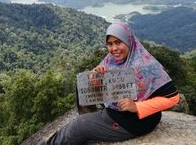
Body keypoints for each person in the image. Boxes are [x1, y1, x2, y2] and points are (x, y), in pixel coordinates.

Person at [40, 22, 179, 145]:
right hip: (115, 107)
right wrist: (96, 77)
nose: (114, 48)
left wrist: (137, 106)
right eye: (110, 44)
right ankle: (91, 118)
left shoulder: (146, 66)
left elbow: (173, 98)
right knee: (82, 83)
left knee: (78, 126)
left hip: (134, 122)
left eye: (118, 42)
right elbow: (99, 84)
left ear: (129, 41)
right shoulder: (112, 59)